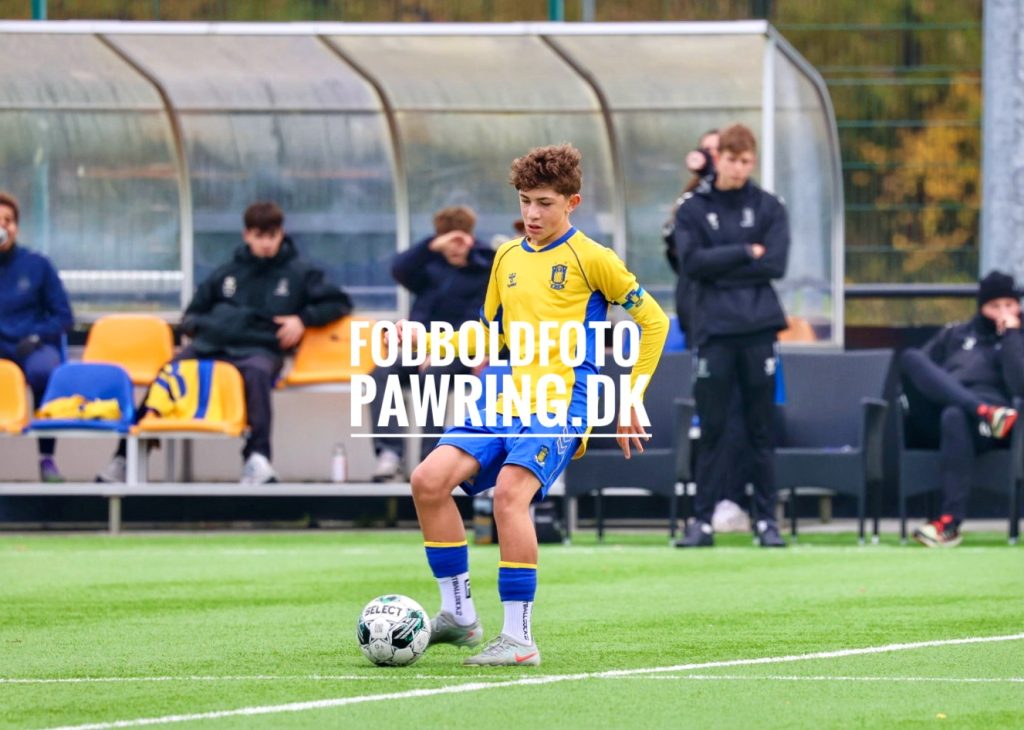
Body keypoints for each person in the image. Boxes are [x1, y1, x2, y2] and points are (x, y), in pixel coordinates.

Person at [403, 144, 668, 666]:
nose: (532, 213)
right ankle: (458, 615)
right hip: (505, 394)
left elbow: (654, 321)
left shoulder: (594, 258)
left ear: (572, 202)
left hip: (562, 402)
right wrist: (430, 342)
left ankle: (519, 638)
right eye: (525, 201)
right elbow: (489, 335)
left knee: (509, 496)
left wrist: (632, 397)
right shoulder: (506, 256)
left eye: (545, 202)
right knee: (427, 481)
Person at [97, 201, 352, 484]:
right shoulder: (227, 273)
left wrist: (303, 319)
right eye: (259, 236)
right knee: (169, 372)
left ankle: (257, 459)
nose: (266, 243)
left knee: (257, 374)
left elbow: (339, 302)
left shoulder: (299, 273)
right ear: (247, 235)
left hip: (259, 348)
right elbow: (192, 314)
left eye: (272, 236)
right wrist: (202, 327)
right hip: (211, 346)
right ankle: (125, 458)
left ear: (281, 234)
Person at [671, 123, 790, 549]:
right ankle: (701, 522)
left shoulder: (769, 206)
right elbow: (691, 263)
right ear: (717, 158)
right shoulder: (693, 208)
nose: (739, 168)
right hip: (714, 331)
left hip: (758, 329)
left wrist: (720, 264)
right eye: (732, 159)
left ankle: (766, 522)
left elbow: (775, 264)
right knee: (713, 428)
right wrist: (744, 252)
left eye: (746, 161)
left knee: (760, 428)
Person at [664, 130, 751, 533]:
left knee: (740, 412)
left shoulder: (749, 203)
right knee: (711, 412)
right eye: (710, 152)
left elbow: (758, 253)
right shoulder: (690, 204)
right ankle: (707, 504)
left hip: (744, 321)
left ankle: (734, 499)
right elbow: (685, 257)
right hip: (702, 321)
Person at [370, 206, 495, 481]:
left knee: (433, 374)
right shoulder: (430, 268)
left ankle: (430, 458)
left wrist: (440, 348)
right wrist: (431, 245)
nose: (455, 248)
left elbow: (478, 321)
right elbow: (399, 268)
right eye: (448, 241)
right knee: (381, 373)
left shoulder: (486, 268)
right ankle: (390, 454)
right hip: (421, 347)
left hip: (462, 349)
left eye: (460, 240)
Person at [903, 270, 1024, 548]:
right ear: (982, 308)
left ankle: (948, 523)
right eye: (995, 306)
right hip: (943, 413)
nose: (1003, 312)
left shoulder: (1018, 339)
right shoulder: (955, 334)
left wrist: (1012, 336)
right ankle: (982, 410)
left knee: (955, 415)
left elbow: (1019, 386)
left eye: (1009, 305)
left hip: (994, 428)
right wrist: (979, 407)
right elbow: (923, 371)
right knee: (911, 357)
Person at [0, 191, 74, 482]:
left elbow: (63, 316)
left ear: (16, 227)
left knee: (45, 371)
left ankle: (47, 459)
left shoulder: (37, 265)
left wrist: (36, 336)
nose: (2, 227)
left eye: (7, 221)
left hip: (30, 345)